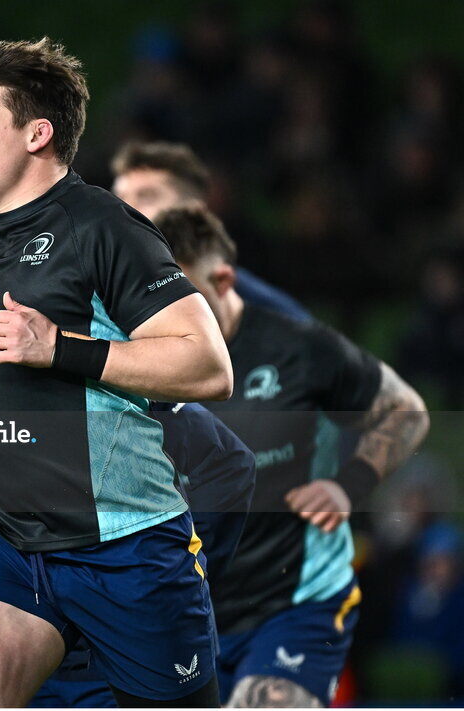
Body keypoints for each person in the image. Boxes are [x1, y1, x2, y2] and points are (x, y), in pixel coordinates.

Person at [0, 38, 233, 707]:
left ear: (37, 133)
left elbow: (209, 364)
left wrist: (61, 346)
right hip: (3, 536)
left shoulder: (104, 228)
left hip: (125, 543)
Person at [154, 204, 430, 707]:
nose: (169, 316)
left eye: (184, 296)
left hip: (294, 605)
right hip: (188, 610)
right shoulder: (145, 357)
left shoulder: (299, 349)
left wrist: (349, 485)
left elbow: (405, 410)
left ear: (222, 279)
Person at [0, 380, 257, 707]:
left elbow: (228, 464)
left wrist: (187, 574)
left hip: (117, 648)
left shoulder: (104, 387)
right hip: (32, 656)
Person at [110, 141, 311, 322]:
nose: (125, 211)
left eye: (146, 197)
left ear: (193, 211)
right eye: (118, 198)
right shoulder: (94, 297)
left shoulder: (270, 315)